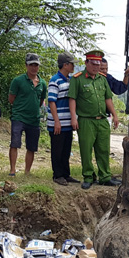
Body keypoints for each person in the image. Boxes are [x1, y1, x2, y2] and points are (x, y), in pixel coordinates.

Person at [68, 49, 120, 189]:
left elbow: (108, 98)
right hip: (86, 120)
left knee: (103, 149)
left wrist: (115, 115)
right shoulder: (77, 79)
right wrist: (74, 118)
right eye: (93, 64)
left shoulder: (102, 79)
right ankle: (88, 177)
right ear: (86, 63)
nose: (96, 67)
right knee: (86, 149)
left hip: (102, 120)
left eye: (98, 64)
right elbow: (72, 99)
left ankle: (105, 176)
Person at [8, 53, 47, 176]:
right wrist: (20, 107)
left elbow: (41, 100)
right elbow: (11, 98)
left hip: (34, 119)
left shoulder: (42, 83)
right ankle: (12, 170)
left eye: (36, 65)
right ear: (26, 66)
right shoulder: (18, 80)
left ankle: (27, 171)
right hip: (19, 116)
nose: (34, 67)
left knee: (32, 147)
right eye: (31, 65)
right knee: (15, 143)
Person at [48, 52, 81, 186]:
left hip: (68, 122)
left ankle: (66, 174)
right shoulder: (55, 80)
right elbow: (51, 101)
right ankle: (58, 175)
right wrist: (56, 121)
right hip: (58, 122)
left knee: (66, 149)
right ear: (65, 65)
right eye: (72, 64)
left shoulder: (70, 80)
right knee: (57, 149)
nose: (74, 66)